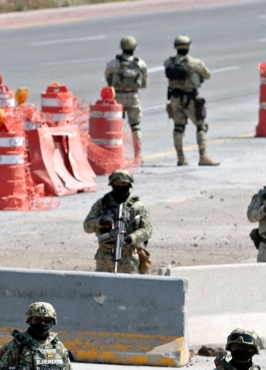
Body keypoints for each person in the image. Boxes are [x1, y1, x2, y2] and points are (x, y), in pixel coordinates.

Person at [83, 169, 153, 274]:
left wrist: (131, 237)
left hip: (129, 259)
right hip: (104, 259)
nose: (120, 186)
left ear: (129, 185)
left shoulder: (137, 206)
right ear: (112, 184)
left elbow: (148, 230)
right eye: (117, 183)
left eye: (124, 183)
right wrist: (100, 221)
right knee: (101, 289)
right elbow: (87, 226)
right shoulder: (102, 203)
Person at [164, 35, 218, 166]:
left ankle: (181, 158)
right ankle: (203, 156)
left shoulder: (169, 62)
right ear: (188, 47)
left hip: (174, 99)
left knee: (178, 127)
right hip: (190, 99)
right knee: (201, 125)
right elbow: (207, 75)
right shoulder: (194, 63)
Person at [105, 36, 148, 152]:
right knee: (135, 126)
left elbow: (107, 78)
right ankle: (138, 155)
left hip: (117, 97)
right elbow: (144, 84)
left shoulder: (114, 64)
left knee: (116, 126)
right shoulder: (140, 64)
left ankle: (116, 153)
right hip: (133, 96)